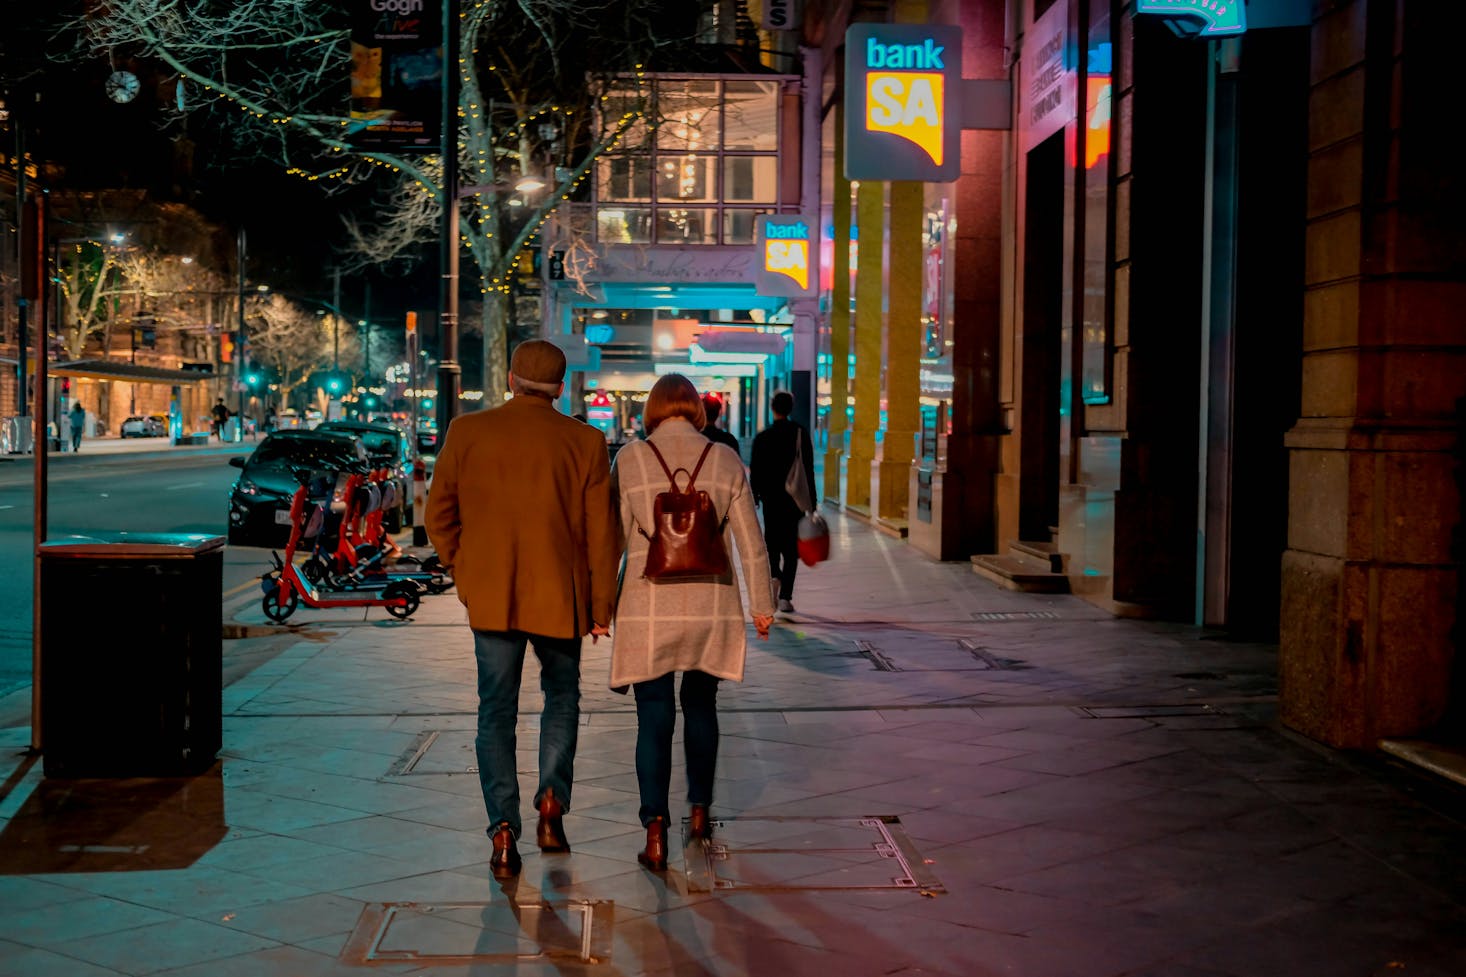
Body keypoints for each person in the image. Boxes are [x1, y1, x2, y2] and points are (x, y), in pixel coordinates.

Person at [425, 340, 619, 880]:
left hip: (492, 597)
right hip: (561, 596)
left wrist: (464, 570)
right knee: (561, 696)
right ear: (560, 388)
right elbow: (604, 536)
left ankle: (503, 830)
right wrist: (601, 604)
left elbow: (439, 515)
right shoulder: (585, 441)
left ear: (511, 379)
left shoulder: (467, 432)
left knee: (496, 710)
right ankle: (552, 802)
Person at [609, 374, 776, 871]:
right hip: (711, 603)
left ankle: (655, 828)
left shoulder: (630, 459)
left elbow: (613, 541)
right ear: (698, 410)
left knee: (653, 716)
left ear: (654, 410)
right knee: (702, 705)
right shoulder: (724, 458)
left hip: (647, 606)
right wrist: (762, 606)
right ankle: (699, 810)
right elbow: (751, 541)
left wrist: (598, 607)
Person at [750, 390, 816, 614]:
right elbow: (808, 469)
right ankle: (786, 596)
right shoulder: (800, 433)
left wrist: (756, 495)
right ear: (791, 407)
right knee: (791, 548)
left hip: (771, 499)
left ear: (772, 408)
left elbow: (756, 470)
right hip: (794, 499)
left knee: (772, 542)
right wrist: (812, 502)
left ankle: (774, 575)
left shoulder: (763, 437)